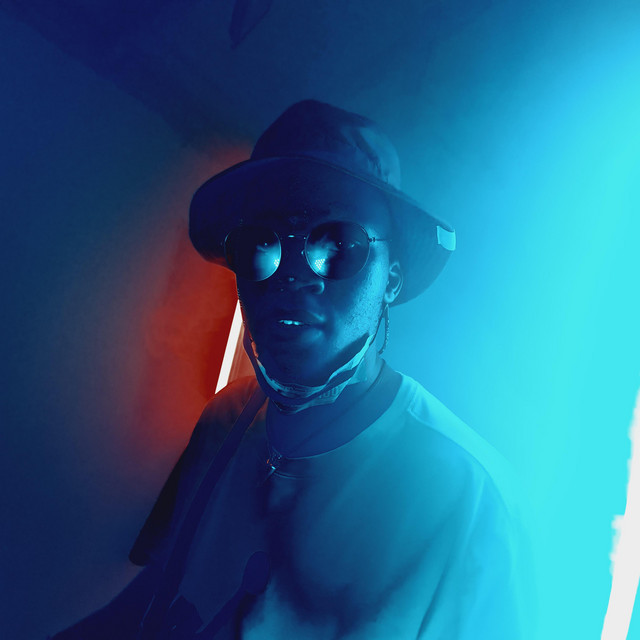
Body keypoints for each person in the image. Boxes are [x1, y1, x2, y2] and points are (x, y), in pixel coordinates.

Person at [51, 100, 533, 639]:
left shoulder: (467, 502)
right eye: (261, 243)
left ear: (391, 278)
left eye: (338, 245)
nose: (294, 275)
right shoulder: (226, 421)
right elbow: (161, 595)